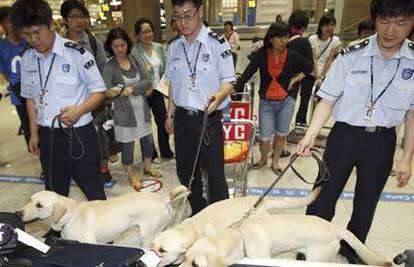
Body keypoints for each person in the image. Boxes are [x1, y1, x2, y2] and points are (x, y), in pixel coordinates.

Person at [297, 0, 414, 263]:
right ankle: (307, 250)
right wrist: (311, 133)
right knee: (321, 201)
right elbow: (327, 99)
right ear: (375, 19)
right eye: (384, 21)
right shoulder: (352, 54)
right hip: (344, 137)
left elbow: (411, 114)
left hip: (382, 141)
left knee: (365, 206)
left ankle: (352, 254)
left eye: (401, 22)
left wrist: (406, 158)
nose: (391, 30)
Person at [12, 0, 106, 200]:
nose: (33, 39)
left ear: (51, 25)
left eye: (37, 32)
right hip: (47, 136)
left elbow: (99, 92)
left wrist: (78, 111)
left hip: (78, 134)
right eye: (26, 34)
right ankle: (56, 232)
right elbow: (30, 99)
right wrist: (34, 134)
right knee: (53, 191)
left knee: (93, 191)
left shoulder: (76, 53)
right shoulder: (28, 58)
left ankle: (102, 231)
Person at [165, 0, 235, 215]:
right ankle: (197, 213)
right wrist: (170, 114)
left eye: (188, 15)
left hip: (208, 118)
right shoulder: (174, 47)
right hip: (183, 119)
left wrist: (218, 96)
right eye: (177, 16)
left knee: (215, 175)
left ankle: (219, 218)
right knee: (186, 172)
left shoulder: (217, 43)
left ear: (200, 11)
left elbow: (229, 82)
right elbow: (172, 85)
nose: (182, 22)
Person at [235, 22, 313, 174]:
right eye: (280, 37)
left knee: (281, 134)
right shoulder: (262, 53)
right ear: (271, 38)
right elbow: (248, 72)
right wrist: (234, 88)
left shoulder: (292, 55)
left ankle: (275, 162)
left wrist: (297, 77)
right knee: (265, 137)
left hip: (286, 102)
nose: (284, 41)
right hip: (266, 103)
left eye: (286, 37)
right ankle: (263, 159)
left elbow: (309, 66)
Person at [103, 27, 162, 191]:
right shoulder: (110, 68)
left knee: (147, 140)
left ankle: (148, 167)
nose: (120, 50)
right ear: (110, 47)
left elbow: (147, 80)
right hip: (124, 114)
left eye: (122, 45)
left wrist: (132, 89)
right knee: (128, 146)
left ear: (127, 45)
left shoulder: (134, 59)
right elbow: (107, 93)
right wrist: (113, 93)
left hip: (141, 109)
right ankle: (131, 174)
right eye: (116, 46)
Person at [132, 18, 174, 162]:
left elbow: (166, 68)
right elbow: (133, 74)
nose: (147, 35)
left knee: (162, 120)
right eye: (143, 32)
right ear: (138, 35)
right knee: (146, 124)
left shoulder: (158, 47)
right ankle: (152, 154)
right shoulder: (134, 52)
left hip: (157, 90)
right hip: (142, 93)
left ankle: (166, 150)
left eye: (149, 31)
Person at [0, 6, 30, 144]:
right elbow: (5, 72)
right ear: (3, 24)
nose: (12, 24)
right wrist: (15, 84)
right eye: (8, 21)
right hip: (18, 93)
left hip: (37, 89)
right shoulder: (2, 46)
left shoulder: (29, 40)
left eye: (14, 20)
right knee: (28, 125)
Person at [60, 0, 107, 73]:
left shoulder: (94, 43)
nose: (79, 20)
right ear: (64, 20)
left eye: (82, 16)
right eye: (74, 16)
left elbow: (104, 71)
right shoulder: (60, 45)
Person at [288, 9, 315, 127]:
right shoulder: (304, 42)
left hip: (273, 82)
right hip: (291, 84)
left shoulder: (279, 36)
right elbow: (310, 67)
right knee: (286, 113)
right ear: (304, 27)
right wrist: (298, 77)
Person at [308, 14, 341, 87]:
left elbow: (329, 60)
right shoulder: (313, 38)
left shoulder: (335, 40)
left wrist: (321, 77)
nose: (329, 27)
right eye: (326, 25)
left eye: (332, 25)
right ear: (320, 26)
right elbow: (314, 59)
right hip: (312, 73)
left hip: (326, 74)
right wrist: (317, 77)